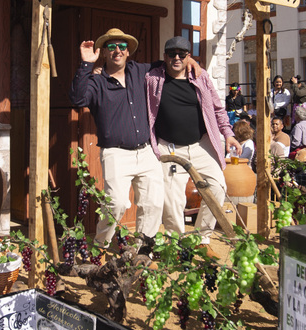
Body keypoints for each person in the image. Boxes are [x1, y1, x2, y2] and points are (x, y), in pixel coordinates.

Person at [70, 28, 165, 251]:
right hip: (116, 153)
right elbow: (77, 98)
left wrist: (191, 61)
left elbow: (169, 65)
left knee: (152, 204)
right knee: (116, 204)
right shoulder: (96, 82)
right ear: (103, 52)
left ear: (128, 51)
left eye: (122, 46)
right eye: (111, 47)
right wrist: (86, 63)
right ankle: (100, 246)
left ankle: (144, 250)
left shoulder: (140, 71)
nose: (117, 51)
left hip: (146, 151)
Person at [146, 37, 240, 247]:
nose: (176, 58)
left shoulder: (200, 76)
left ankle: (201, 237)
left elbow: (217, 108)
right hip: (168, 146)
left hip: (201, 144)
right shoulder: (153, 78)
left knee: (216, 187)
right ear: (165, 57)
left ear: (189, 56)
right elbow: (134, 70)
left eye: (182, 54)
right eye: (172, 54)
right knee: (171, 199)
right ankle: (178, 243)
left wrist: (228, 133)